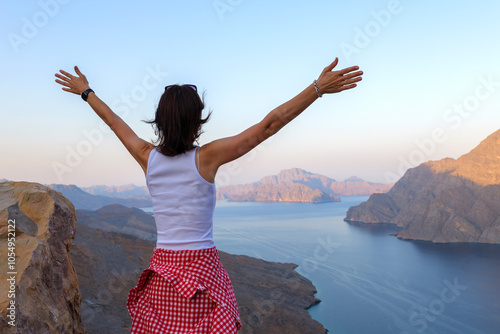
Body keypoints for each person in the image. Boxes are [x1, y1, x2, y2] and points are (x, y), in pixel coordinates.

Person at [54, 58, 362, 333]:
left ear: (159, 121)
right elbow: (268, 126)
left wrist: (86, 92)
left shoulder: (147, 157)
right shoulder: (208, 157)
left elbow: (112, 121)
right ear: (198, 121)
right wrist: (317, 89)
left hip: (163, 274)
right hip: (202, 272)